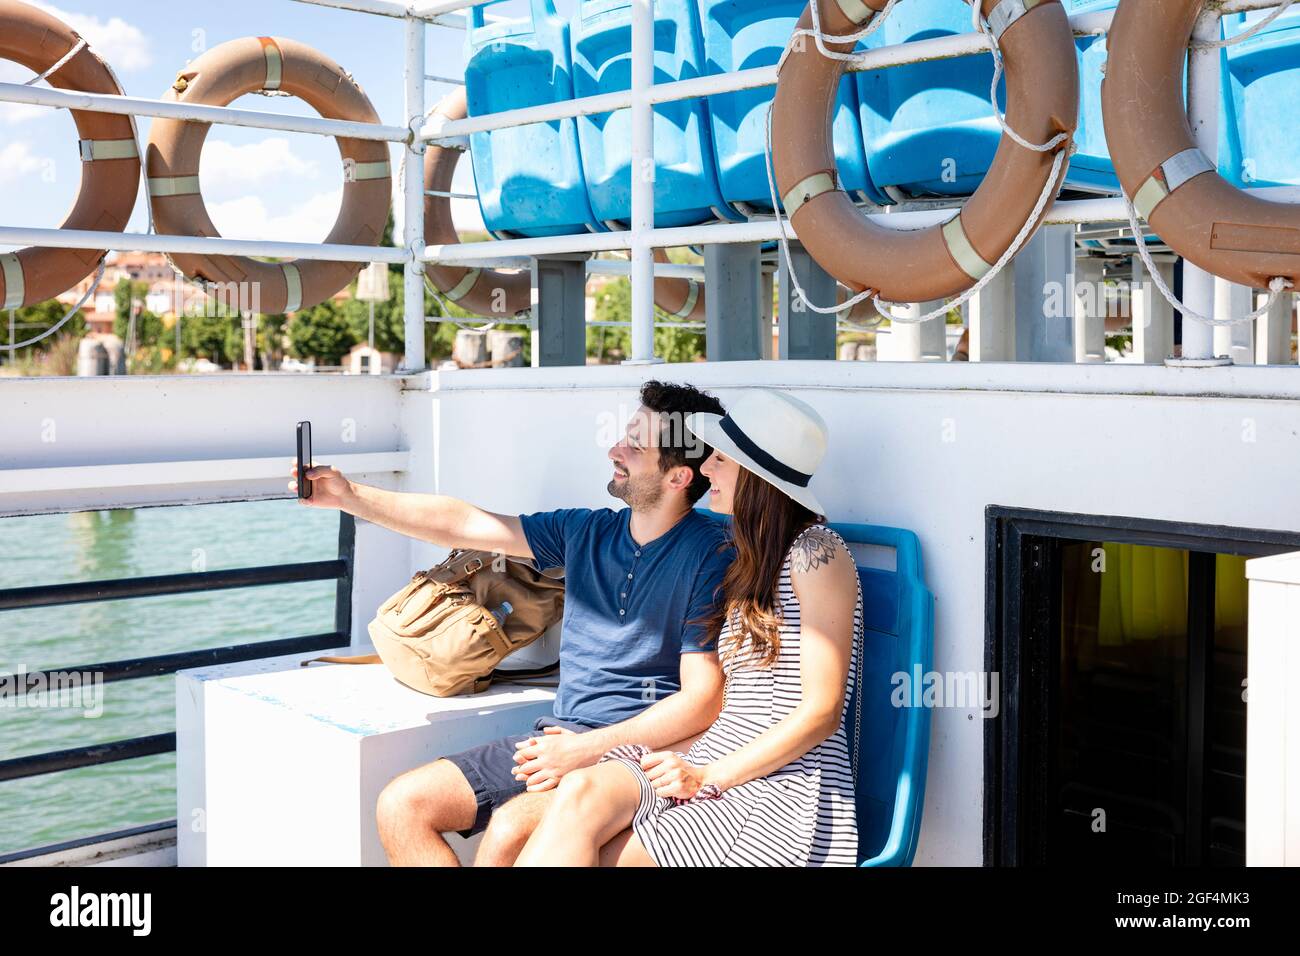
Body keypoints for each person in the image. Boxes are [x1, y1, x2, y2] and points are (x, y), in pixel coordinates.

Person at [289, 380, 734, 866]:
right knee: (403, 805)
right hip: (557, 739)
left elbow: (703, 698)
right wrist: (350, 496)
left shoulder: (711, 554)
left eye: (635, 445)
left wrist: (587, 750)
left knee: (509, 832)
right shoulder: (585, 530)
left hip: (638, 756)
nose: (615, 449)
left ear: (677, 478)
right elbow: (466, 524)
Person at [514, 388, 863, 867]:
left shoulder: (816, 552)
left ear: (757, 476)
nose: (707, 469)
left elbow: (821, 715)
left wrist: (707, 776)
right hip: (716, 752)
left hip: (777, 785)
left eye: (720, 458)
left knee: (601, 848)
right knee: (580, 788)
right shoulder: (746, 557)